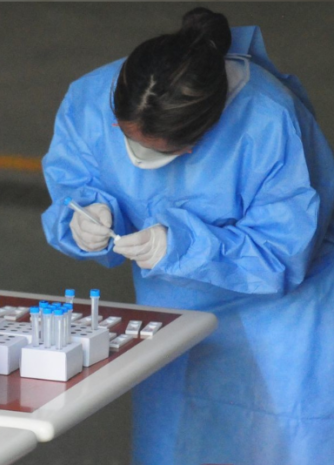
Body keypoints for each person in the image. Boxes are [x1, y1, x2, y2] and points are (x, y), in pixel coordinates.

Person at [41, 7, 334, 465]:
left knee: (275, 446)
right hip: (174, 318)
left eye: (159, 153)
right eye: (126, 138)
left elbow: (282, 251)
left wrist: (181, 247)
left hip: (281, 327)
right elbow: (75, 177)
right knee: (176, 445)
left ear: (199, 139)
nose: (137, 159)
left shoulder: (269, 120)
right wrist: (83, 215)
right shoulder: (92, 98)